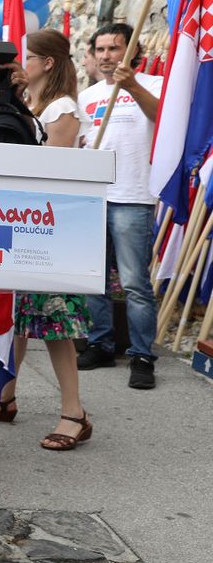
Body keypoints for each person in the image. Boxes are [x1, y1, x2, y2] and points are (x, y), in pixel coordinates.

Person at [0, 29, 94, 448]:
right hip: (21, 222)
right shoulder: (33, 105)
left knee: (56, 323)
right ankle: (3, 397)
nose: (21, 65)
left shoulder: (62, 108)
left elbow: (50, 171)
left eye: (28, 58)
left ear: (47, 63)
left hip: (49, 227)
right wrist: (17, 100)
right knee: (13, 318)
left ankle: (74, 412)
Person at [78, 21, 160, 389]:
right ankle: (101, 344)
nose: (106, 55)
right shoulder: (87, 96)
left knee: (134, 282)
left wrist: (132, 87)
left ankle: (142, 354)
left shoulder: (154, 85)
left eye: (114, 48)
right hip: (95, 196)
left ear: (133, 51)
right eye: (101, 49)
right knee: (93, 278)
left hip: (133, 196)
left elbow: (162, 118)